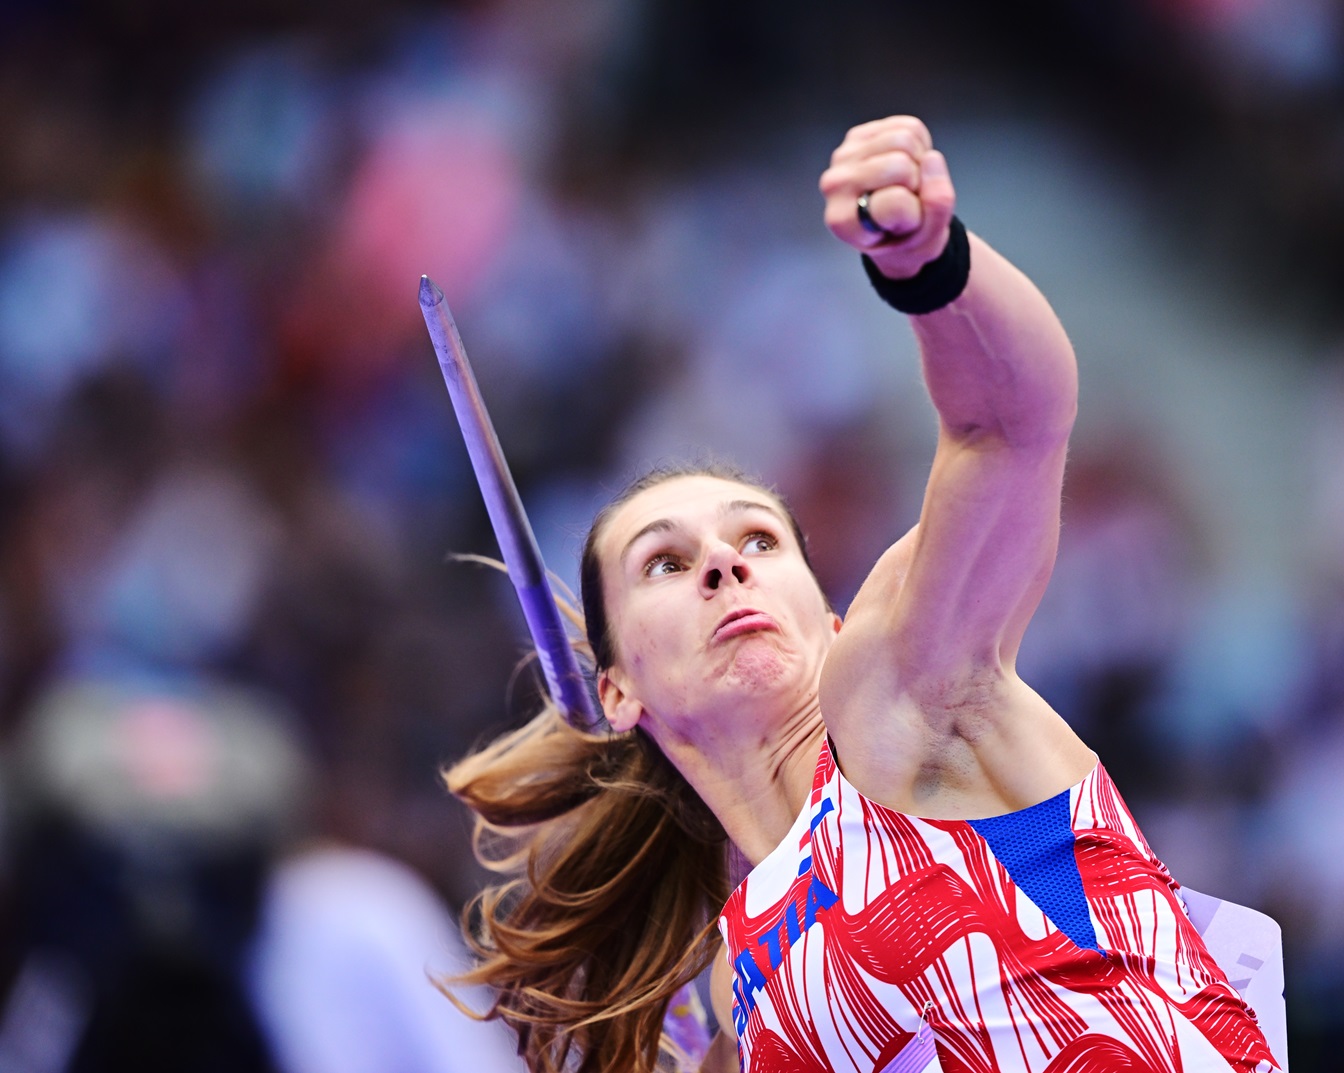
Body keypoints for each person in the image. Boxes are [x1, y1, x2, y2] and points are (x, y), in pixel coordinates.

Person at [446, 116, 1282, 1073]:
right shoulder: (738, 997)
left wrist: (933, 266)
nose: (724, 565)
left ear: (830, 614)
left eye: (758, 540)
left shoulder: (903, 698)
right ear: (621, 689)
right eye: (665, 564)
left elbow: (1013, 425)